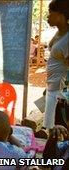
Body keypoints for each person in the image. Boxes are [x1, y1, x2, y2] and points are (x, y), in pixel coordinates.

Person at [43, 0, 69, 130]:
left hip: (59, 90)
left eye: (50, 12)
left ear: (61, 14)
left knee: (55, 128)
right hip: (52, 85)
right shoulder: (59, 33)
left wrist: (65, 93)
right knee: (49, 125)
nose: (48, 16)